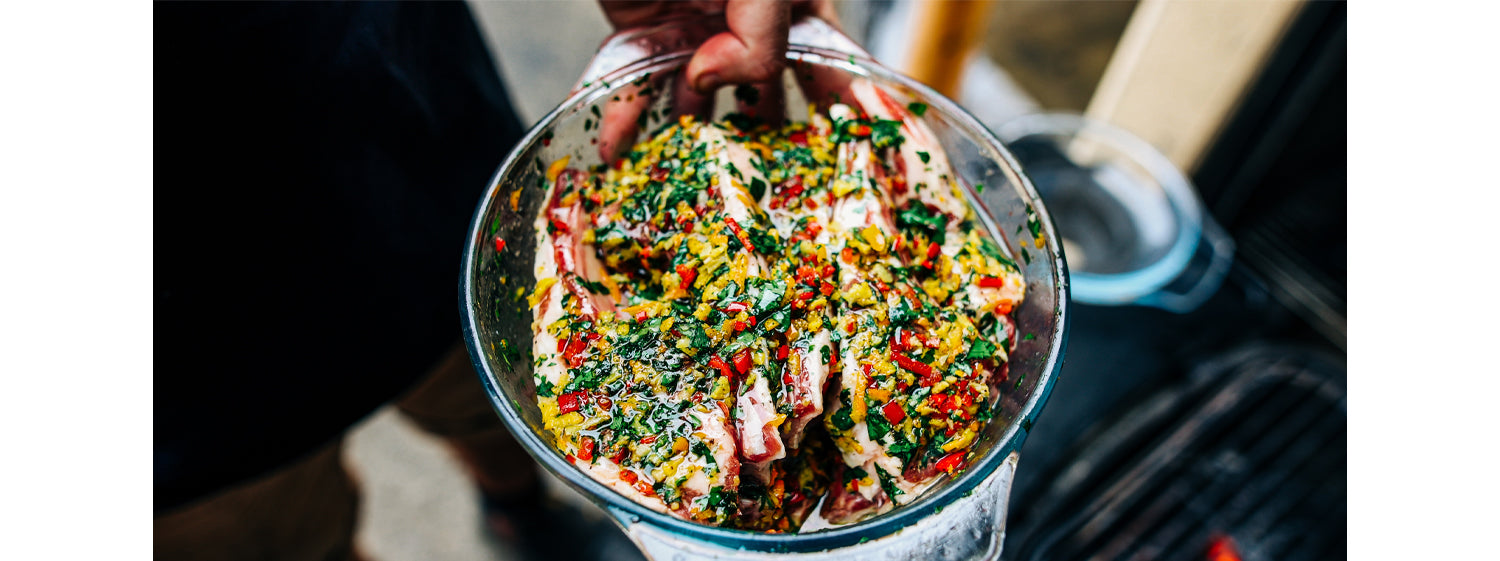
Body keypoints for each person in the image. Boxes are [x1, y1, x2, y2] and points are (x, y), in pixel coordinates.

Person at [154, 1, 837, 560]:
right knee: (282, 536)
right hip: (178, 344)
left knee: (489, 380)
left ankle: (518, 511)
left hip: (395, 114)